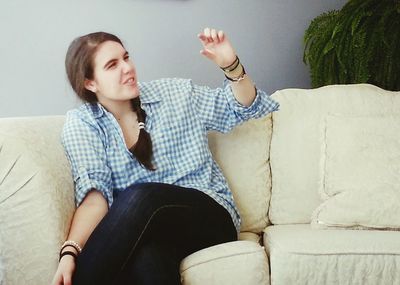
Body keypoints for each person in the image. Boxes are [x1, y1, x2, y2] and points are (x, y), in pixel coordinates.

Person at [51, 27, 279, 285]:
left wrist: (232, 66)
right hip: (148, 232)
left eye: (126, 58)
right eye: (112, 65)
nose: (127, 68)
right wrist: (70, 252)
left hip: (209, 217)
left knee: (140, 195)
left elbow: (243, 107)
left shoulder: (175, 94)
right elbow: (95, 200)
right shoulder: (83, 124)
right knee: (147, 259)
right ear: (90, 83)